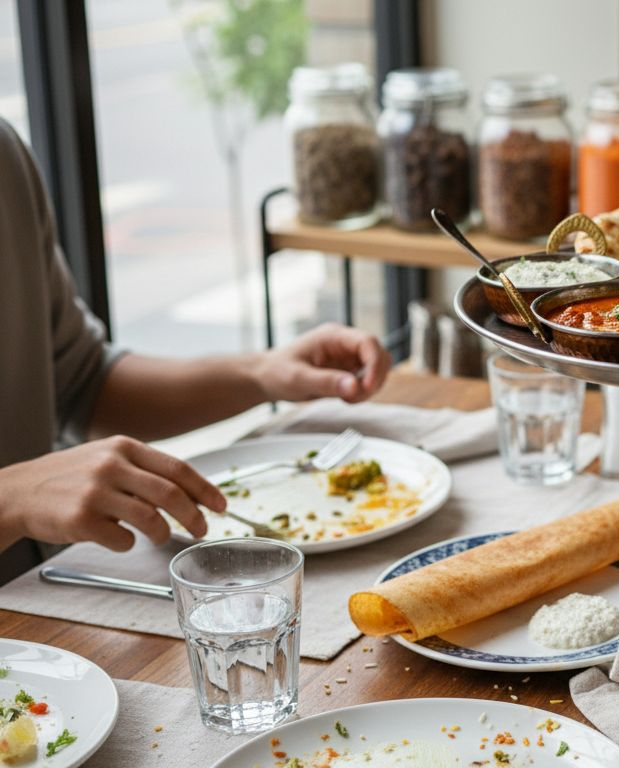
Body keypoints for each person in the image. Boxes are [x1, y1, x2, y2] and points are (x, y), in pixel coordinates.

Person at [0, 117, 391, 579]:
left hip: (34, 595)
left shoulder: (6, 158)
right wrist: (12, 498)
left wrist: (261, 374)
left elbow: (85, 382)